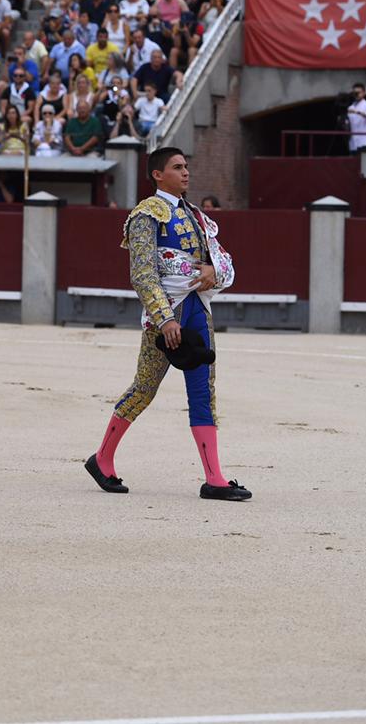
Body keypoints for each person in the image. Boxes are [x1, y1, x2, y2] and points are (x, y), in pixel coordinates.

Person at [84, 147, 250, 502]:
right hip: (167, 314)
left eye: (186, 166)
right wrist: (165, 318)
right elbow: (143, 274)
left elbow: (221, 260)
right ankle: (102, 458)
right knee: (144, 388)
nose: (186, 172)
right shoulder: (146, 215)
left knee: (203, 392)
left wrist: (213, 271)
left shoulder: (196, 215)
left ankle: (215, 479)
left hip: (197, 310)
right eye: (177, 167)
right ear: (158, 175)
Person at [346, 82, 366, 151]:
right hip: (353, 141)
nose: (357, 95)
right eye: (355, 93)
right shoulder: (350, 107)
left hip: (364, 140)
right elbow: (347, 124)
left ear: (364, 93)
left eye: (358, 92)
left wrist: (356, 112)